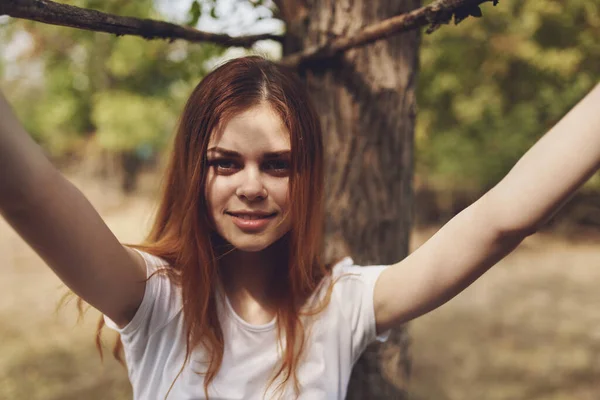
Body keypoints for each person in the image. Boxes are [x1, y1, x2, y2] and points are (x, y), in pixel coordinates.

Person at [0, 56, 598, 400]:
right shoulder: (151, 297)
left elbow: (502, 219)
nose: (252, 185)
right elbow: (29, 194)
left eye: (278, 164)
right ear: (192, 171)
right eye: (225, 162)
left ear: (307, 175)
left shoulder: (341, 305)